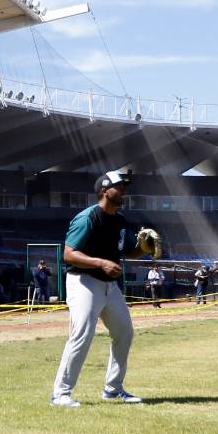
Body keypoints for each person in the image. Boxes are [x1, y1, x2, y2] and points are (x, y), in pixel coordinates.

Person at [50, 170, 151, 406]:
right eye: (119, 186)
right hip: (83, 282)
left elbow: (127, 251)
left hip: (109, 285)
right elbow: (69, 254)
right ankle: (60, 393)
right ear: (105, 190)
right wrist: (101, 262)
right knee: (82, 334)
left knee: (124, 333)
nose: (124, 190)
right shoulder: (88, 217)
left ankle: (113, 388)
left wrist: (143, 248)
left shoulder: (120, 220)